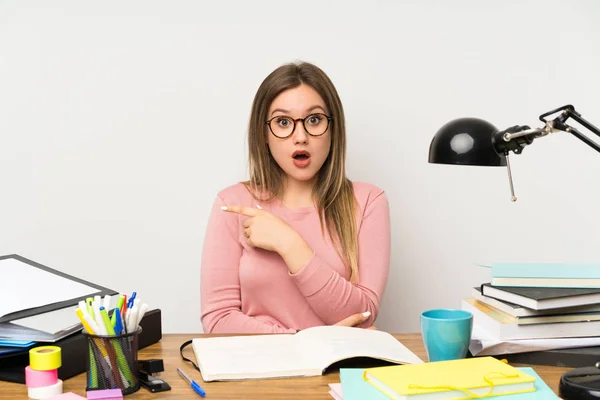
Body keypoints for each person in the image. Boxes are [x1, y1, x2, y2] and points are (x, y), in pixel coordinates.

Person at [200, 61, 390, 333]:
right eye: (283, 122)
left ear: (333, 128)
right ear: (264, 133)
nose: (300, 137)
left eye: (314, 120)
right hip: (256, 371)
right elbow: (218, 320)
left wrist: (289, 243)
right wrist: (304, 343)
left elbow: (363, 314)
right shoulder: (233, 204)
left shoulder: (368, 201)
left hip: (339, 371)